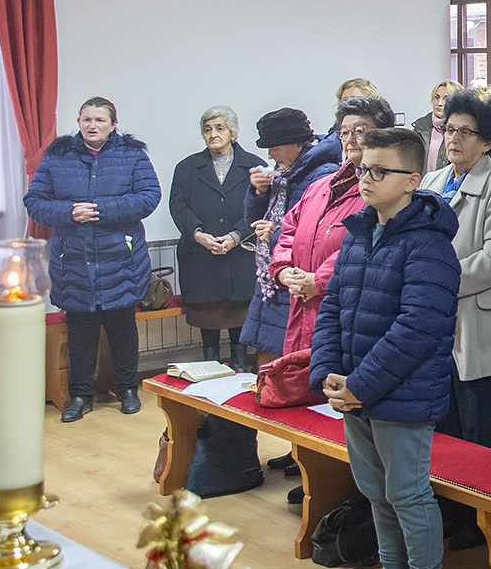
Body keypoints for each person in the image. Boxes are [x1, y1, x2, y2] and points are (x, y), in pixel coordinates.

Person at [313, 127, 462, 569]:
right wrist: (329, 372)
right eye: (362, 168)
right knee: (375, 491)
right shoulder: (359, 233)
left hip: (401, 393)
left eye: (380, 171)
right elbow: (332, 306)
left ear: (413, 180)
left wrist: (362, 384)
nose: (366, 178)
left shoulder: (429, 244)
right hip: (356, 389)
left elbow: (419, 328)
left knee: (407, 493)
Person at [25, 97, 163, 423]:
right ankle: (80, 396)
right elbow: (34, 202)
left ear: (114, 125)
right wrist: (69, 212)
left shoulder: (132, 155)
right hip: (73, 260)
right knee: (81, 332)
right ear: (78, 122)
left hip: (121, 259)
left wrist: (103, 210)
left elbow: (149, 197)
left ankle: (127, 389)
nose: (92, 125)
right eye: (87, 119)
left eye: (100, 120)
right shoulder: (58, 156)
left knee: (122, 329)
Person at [421, 90, 491, 453]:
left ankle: (482, 494)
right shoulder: (432, 181)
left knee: (478, 435)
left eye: (465, 132)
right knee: (444, 430)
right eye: (449, 130)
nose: (454, 138)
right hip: (436, 319)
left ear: (486, 142)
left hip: (480, 322)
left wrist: (438, 281)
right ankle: (449, 494)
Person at [270, 97, 395, 361]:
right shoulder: (321, 186)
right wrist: (283, 270)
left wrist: (318, 281)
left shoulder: (386, 188)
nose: (350, 139)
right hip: (301, 308)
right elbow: (289, 229)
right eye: (344, 132)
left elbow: (366, 242)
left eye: (360, 131)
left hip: (348, 312)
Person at [239, 107, 342, 364]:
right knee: (268, 355)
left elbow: (315, 233)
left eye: (274, 147)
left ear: (297, 144)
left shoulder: (322, 175)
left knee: (286, 361)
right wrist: (258, 193)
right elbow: (254, 221)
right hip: (273, 278)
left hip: (297, 278)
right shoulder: (284, 171)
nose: (270, 155)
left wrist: (274, 234)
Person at [168, 106, 262, 367]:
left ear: (233, 133)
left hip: (242, 256)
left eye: (220, 128)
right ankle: (209, 371)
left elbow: (262, 207)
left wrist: (236, 235)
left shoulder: (255, 166)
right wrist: (198, 234)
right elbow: (178, 207)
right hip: (201, 257)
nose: (213, 134)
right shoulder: (186, 168)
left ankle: (240, 368)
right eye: (207, 129)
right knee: (208, 320)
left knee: (240, 320)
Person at [411, 80, 464, 174]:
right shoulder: (420, 127)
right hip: (422, 182)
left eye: (446, 99)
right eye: (437, 97)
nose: (439, 103)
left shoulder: (462, 132)